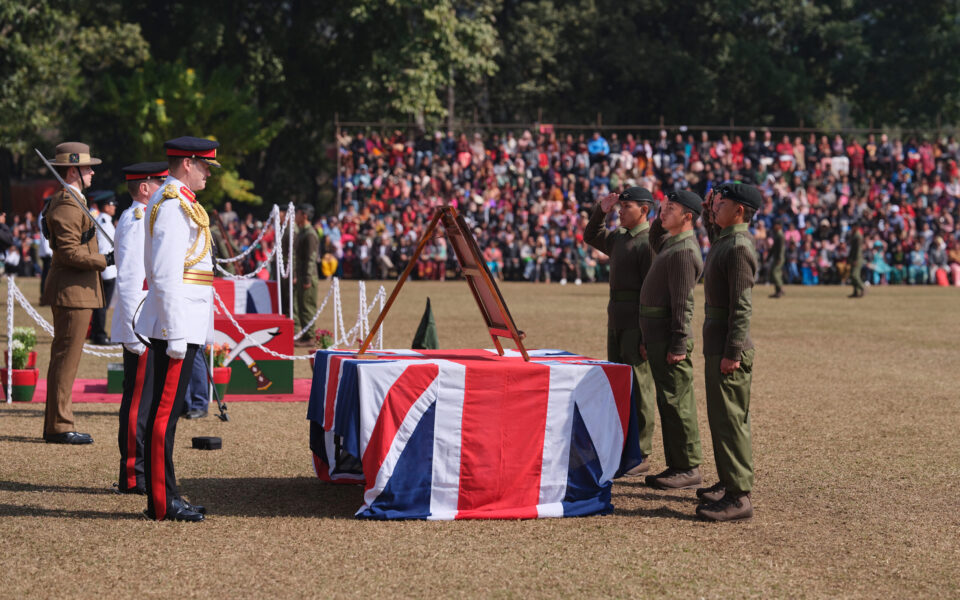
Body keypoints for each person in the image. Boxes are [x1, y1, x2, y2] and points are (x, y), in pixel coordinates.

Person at [134, 136, 220, 522]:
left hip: (183, 325)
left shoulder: (178, 200)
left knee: (165, 416)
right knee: (164, 416)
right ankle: (162, 501)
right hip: (175, 328)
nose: (207, 174)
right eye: (204, 166)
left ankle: (167, 493)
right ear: (187, 162)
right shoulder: (171, 204)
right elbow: (167, 276)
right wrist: (175, 334)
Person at [695, 183, 760, 522]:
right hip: (717, 341)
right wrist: (709, 211)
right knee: (722, 419)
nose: (717, 206)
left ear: (739, 211)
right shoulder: (726, 240)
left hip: (728, 345)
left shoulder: (737, 246)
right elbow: (713, 228)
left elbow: (742, 305)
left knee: (731, 421)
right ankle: (728, 481)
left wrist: (733, 351)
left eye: (723, 203)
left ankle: (739, 496)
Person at [583, 186, 658, 475]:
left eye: (627, 207)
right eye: (620, 207)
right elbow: (591, 235)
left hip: (635, 322)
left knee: (639, 386)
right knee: (618, 385)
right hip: (616, 318)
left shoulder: (648, 242)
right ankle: (622, 446)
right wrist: (599, 211)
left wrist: (644, 334)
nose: (621, 211)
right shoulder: (619, 238)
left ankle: (640, 452)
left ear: (644, 210)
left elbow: (650, 293)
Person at [39, 142, 110, 444]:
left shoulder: (74, 199)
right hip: (72, 291)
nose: (92, 172)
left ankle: (58, 422)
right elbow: (68, 252)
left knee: (65, 358)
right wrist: (104, 260)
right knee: (66, 359)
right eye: (87, 168)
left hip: (75, 290)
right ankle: (59, 425)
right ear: (72, 171)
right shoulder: (68, 203)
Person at [640, 190, 705, 491]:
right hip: (658, 335)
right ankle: (677, 464)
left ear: (688, 217)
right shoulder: (670, 243)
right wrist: (660, 212)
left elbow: (683, 304)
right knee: (669, 401)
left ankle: (687, 467)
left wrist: (679, 343)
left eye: (671, 208)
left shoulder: (683, 251)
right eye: (664, 207)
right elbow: (655, 238)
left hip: (669, 337)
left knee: (678, 402)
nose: (664, 211)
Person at [112, 162, 167, 492]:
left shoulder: (143, 218)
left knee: (146, 402)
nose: (162, 185)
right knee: (138, 404)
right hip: (141, 329)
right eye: (158, 182)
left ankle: (141, 470)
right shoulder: (135, 222)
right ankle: (133, 476)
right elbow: (131, 280)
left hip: (148, 325)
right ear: (144, 188)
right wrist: (134, 332)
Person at [91, 196, 118, 344]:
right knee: (103, 305)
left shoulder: (103, 220)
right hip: (107, 268)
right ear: (105, 206)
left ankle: (96, 333)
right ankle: (100, 334)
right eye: (112, 204)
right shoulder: (104, 222)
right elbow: (104, 246)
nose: (114, 207)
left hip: (106, 267)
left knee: (101, 305)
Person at [293, 203, 320, 345]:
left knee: (307, 306)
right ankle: (305, 334)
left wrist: (307, 278)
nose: (295, 217)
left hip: (308, 275)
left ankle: (310, 336)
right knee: (302, 305)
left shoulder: (309, 234)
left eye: (297, 213)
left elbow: (311, 258)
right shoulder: (303, 232)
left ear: (304, 215)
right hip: (303, 274)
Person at [769, 220, 785, 298]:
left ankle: (780, 289)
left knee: (775, 272)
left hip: (779, 258)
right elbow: (773, 248)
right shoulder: (777, 235)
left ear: (779, 226)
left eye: (776, 225)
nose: (774, 226)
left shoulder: (780, 235)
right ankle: (778, 291)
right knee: (776, 273)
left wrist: (779, 258)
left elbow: (781, 248)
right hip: (777, 257)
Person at [848, 222, 865, 297]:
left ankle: (862, 288)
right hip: (853, 258)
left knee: (855, 275)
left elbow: (858, 250)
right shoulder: (854, 235)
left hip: (857, 259)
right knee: (852, 276)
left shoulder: (858, 236)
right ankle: (856, 292)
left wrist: (855, 260)